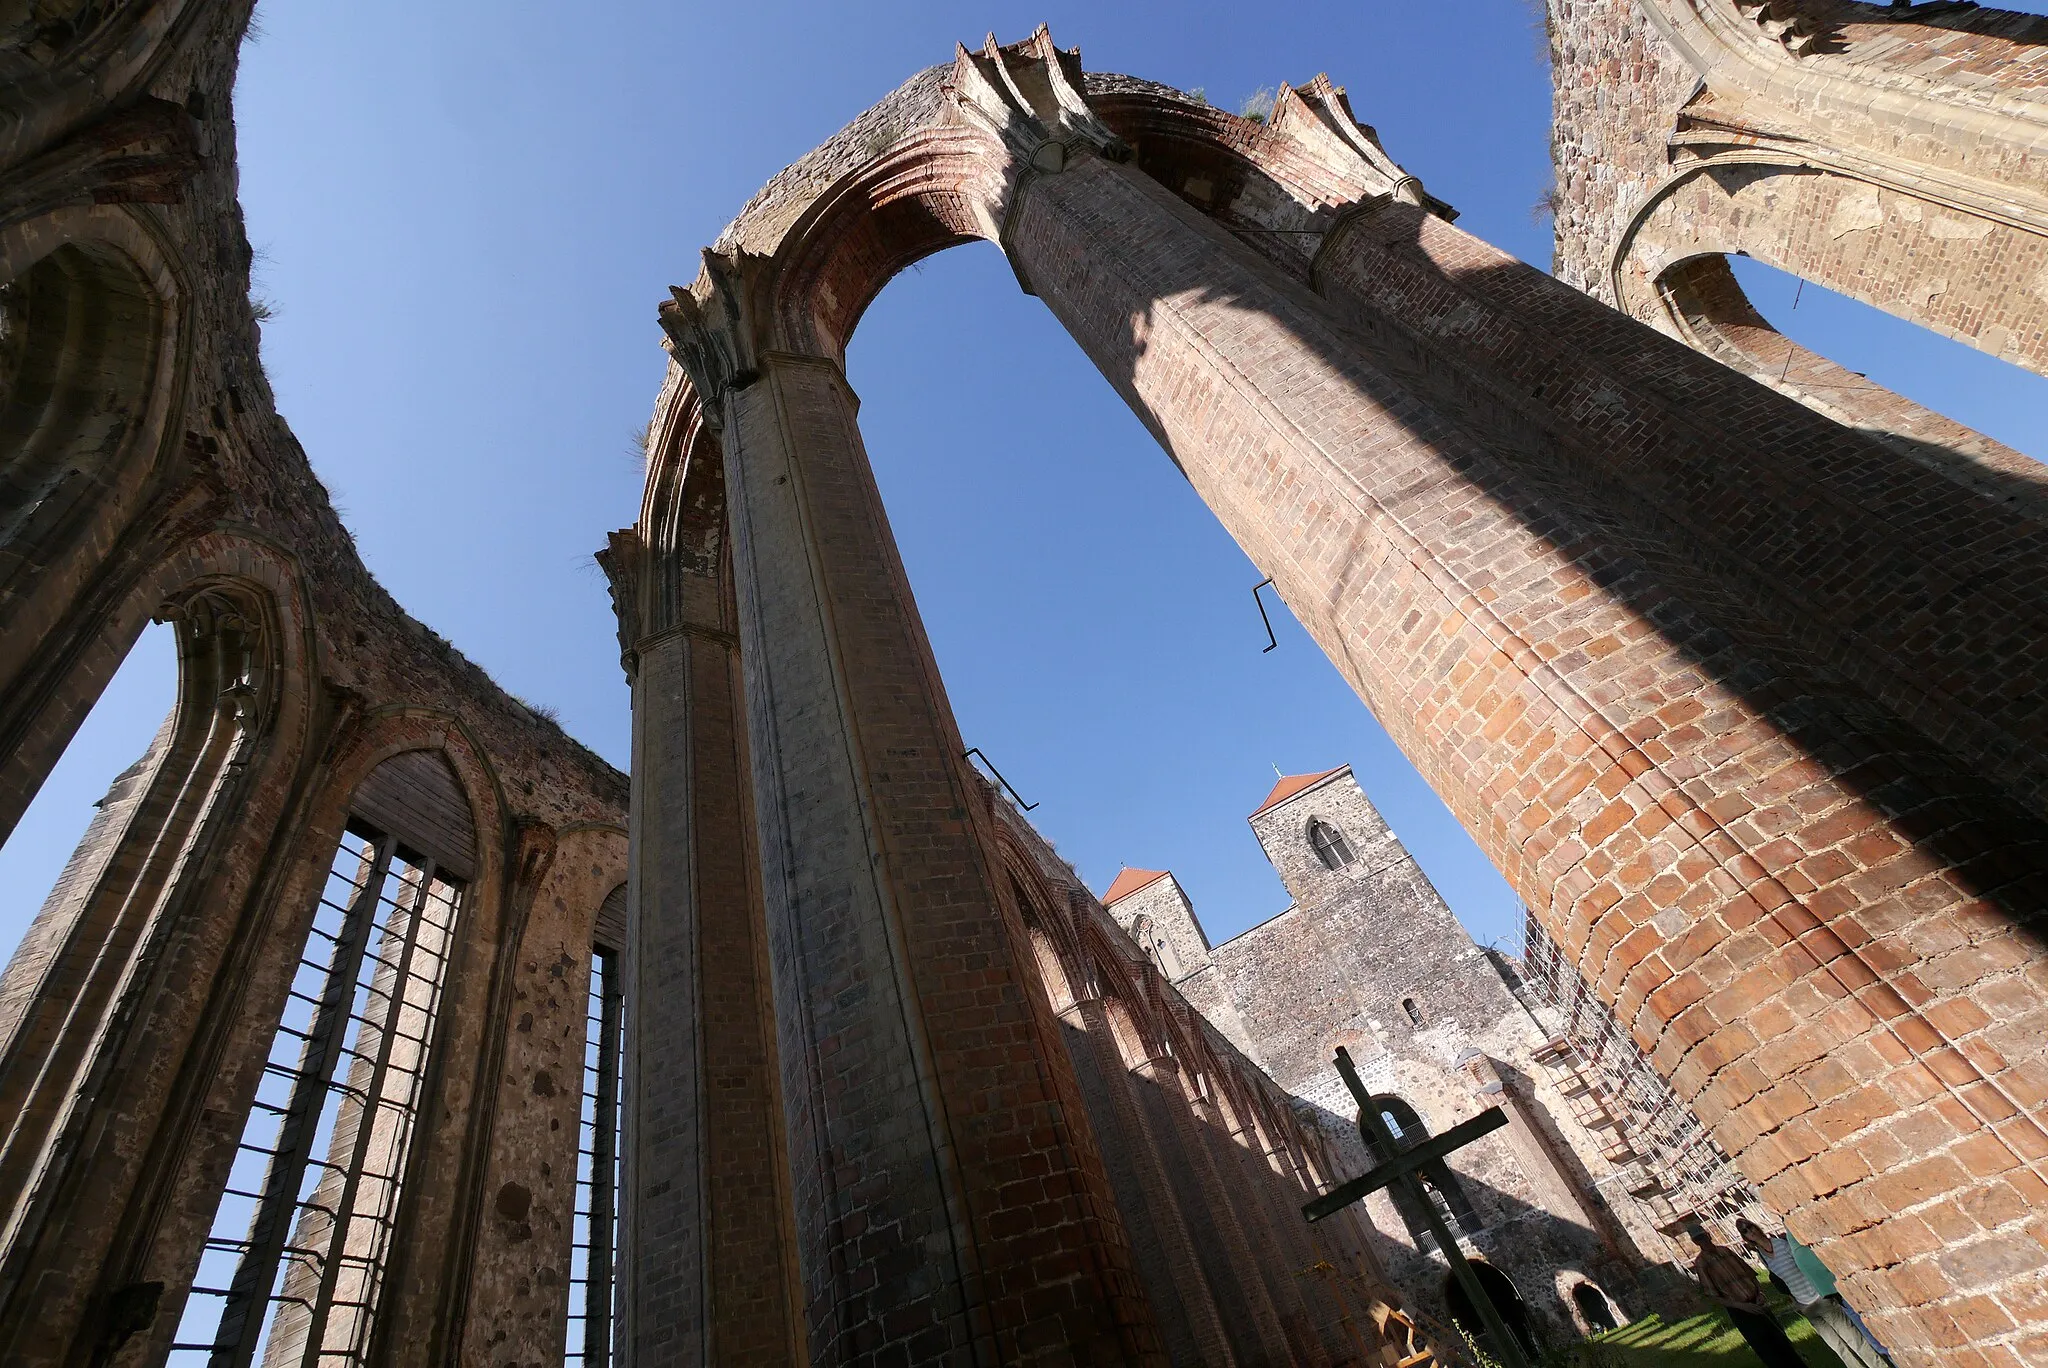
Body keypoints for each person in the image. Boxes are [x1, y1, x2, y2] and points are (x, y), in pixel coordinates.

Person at [1737, 1218, 1892, 1367]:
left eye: (1750, 1227)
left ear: (1757, 1227)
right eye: (1746, 1231)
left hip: (1818, 1296)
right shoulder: (1762, 1257)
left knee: (1854, 1339)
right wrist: (1795, 1302)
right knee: (1839, 1348)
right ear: (1745, 1238)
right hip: (1804, 1304)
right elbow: (1781, 1281)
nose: (1751, 1231)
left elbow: (1804, 1266)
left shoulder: (1781, 1244)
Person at [1687, 1224, 1804, 1368]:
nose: (1703, 1241)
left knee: (1780, 1338)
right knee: (1766, 1349)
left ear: (1708, 1235)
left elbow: (1749, 1272)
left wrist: (1760, 1292)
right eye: (1699, 1239)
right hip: (1740, 1309)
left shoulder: (1725, 1251)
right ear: (1695, 1242)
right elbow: (1713, 1295)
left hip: (1757, 1300)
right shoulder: (1701, 1263)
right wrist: (1742, 1306)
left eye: (1703, 1236)